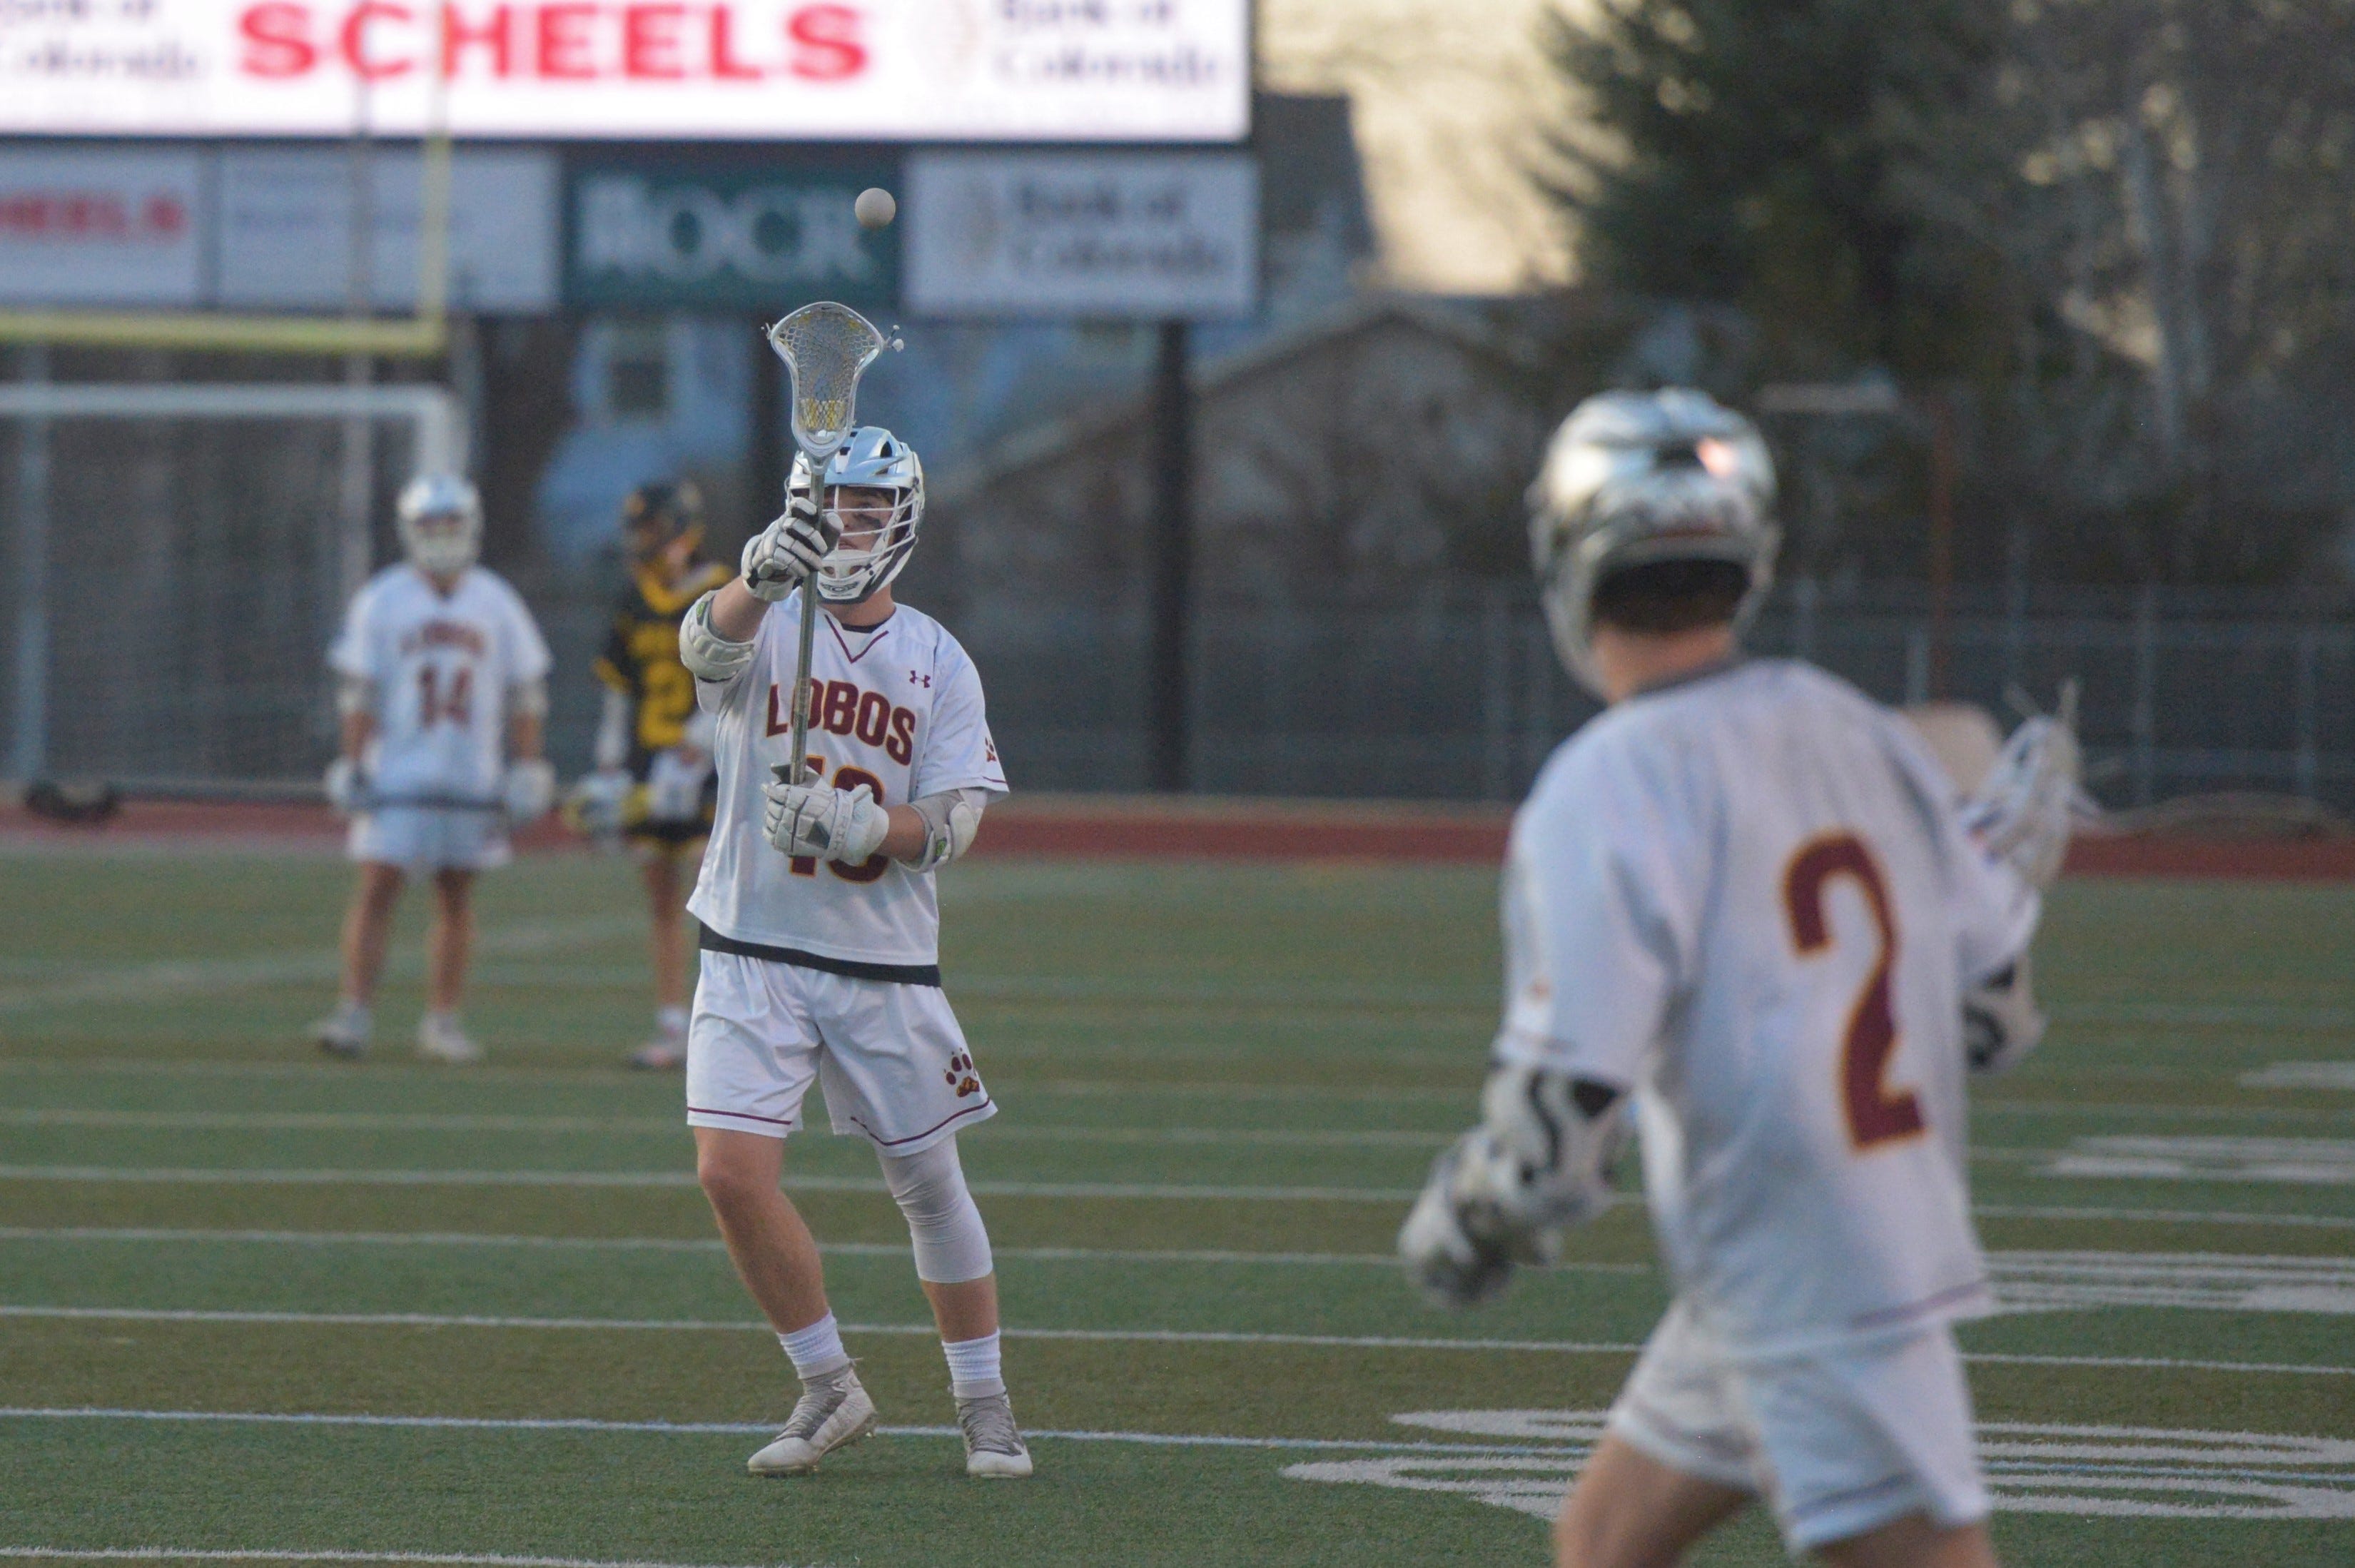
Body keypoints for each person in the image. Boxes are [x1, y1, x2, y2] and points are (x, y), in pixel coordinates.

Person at [1399, 390, 2079, 1568]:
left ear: (1571, 559)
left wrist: (1470, 1212)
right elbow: (1996, 1019)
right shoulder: (1850, 724)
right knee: (1604, 1539)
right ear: (1748, 555)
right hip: (1821, 1248)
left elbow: (1564, 1130)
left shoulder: (1606, 781)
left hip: (1806, 1276)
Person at [674, 425, 1027, 1480]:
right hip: (749, 946)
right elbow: (702, 649)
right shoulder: (765, 613)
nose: (849, 526)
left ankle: (984, 1400)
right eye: (833, 505)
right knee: (729, 1173)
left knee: (926, 1183)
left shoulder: (935, 656)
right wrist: (753, 576)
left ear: (903, 518)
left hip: (879, 960)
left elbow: (958, 821)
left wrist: (868, 829)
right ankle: (828, 1383)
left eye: (869, 507)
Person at [310, 473, 555, 1063]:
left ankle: (442, 1020)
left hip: (471, 774)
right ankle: (354, 1013)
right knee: (376, 887)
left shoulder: (495, 599)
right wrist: (350, 761)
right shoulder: (383, 597)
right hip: (397, 771)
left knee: (455, 895)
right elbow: (359, 693)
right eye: (431, 526)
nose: (442, 537)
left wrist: (527, 765)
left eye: (452, 524)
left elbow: (526, 692)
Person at [572, 480, 734, 1070]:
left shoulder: (723, 590)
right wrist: (611, 764)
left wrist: (698, 748)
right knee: (661, 897)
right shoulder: (633, 598)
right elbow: (620, 689)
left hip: (709, 764)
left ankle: (728, 1025)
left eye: (650, 528)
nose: (642, 541)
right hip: (648, 762)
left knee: (719, 899)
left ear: (679, 527)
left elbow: (743, 684)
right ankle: (673, 1025)